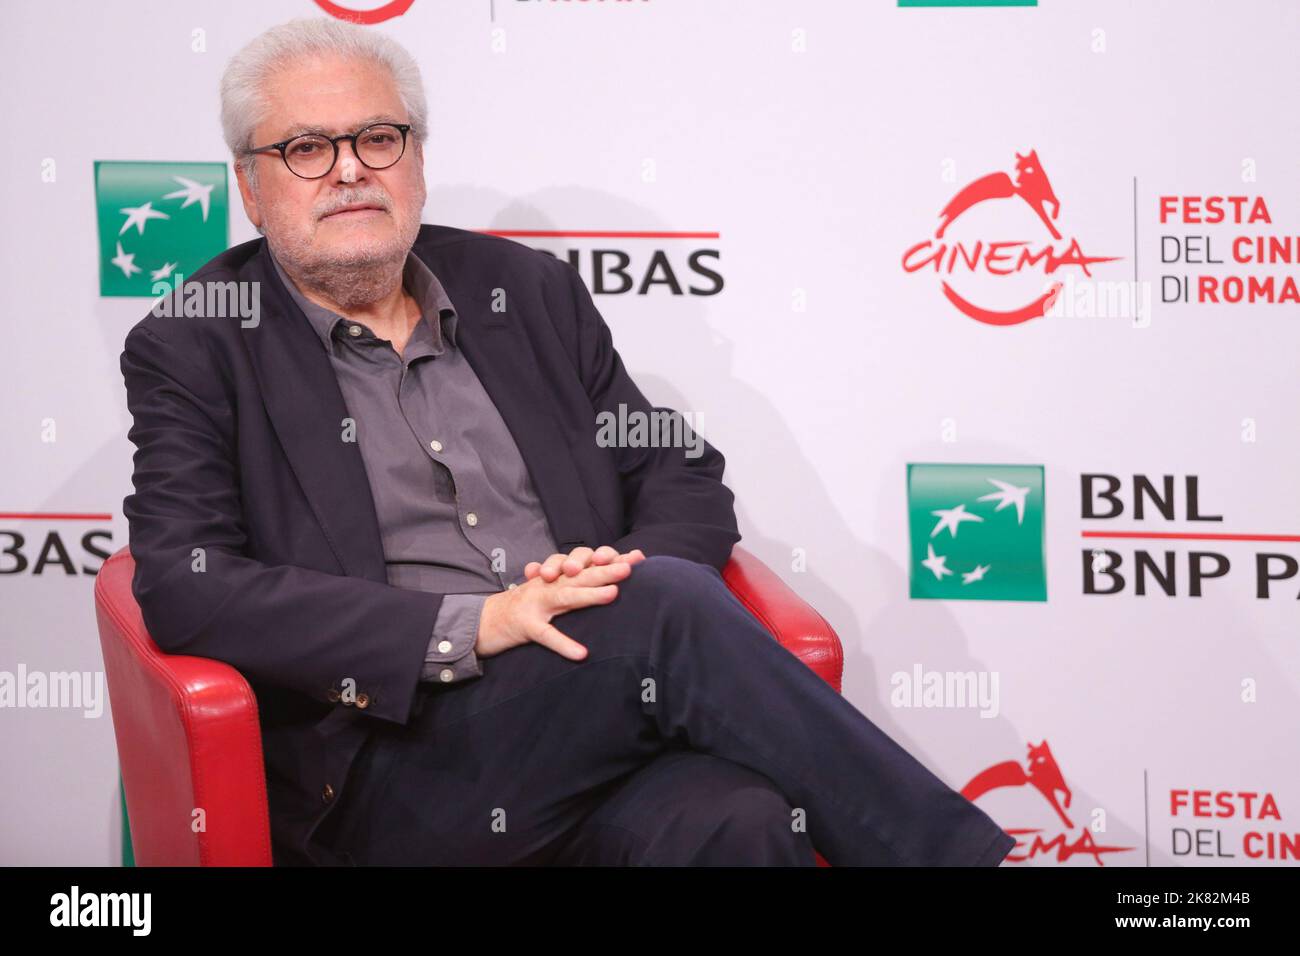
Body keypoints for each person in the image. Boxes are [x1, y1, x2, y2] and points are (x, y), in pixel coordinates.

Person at [120, 16, 1015, 867]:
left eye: (378, 138)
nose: (350, 170)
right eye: (307, 149)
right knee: (662, 603)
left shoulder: (523, 291)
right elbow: (187, 589)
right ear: (249, 183)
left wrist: (602, 585)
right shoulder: (196, 343)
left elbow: (677, 470)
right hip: (399, 764)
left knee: (738, 823)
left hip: (598, 707)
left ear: (417, 160)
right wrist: (480, 623)